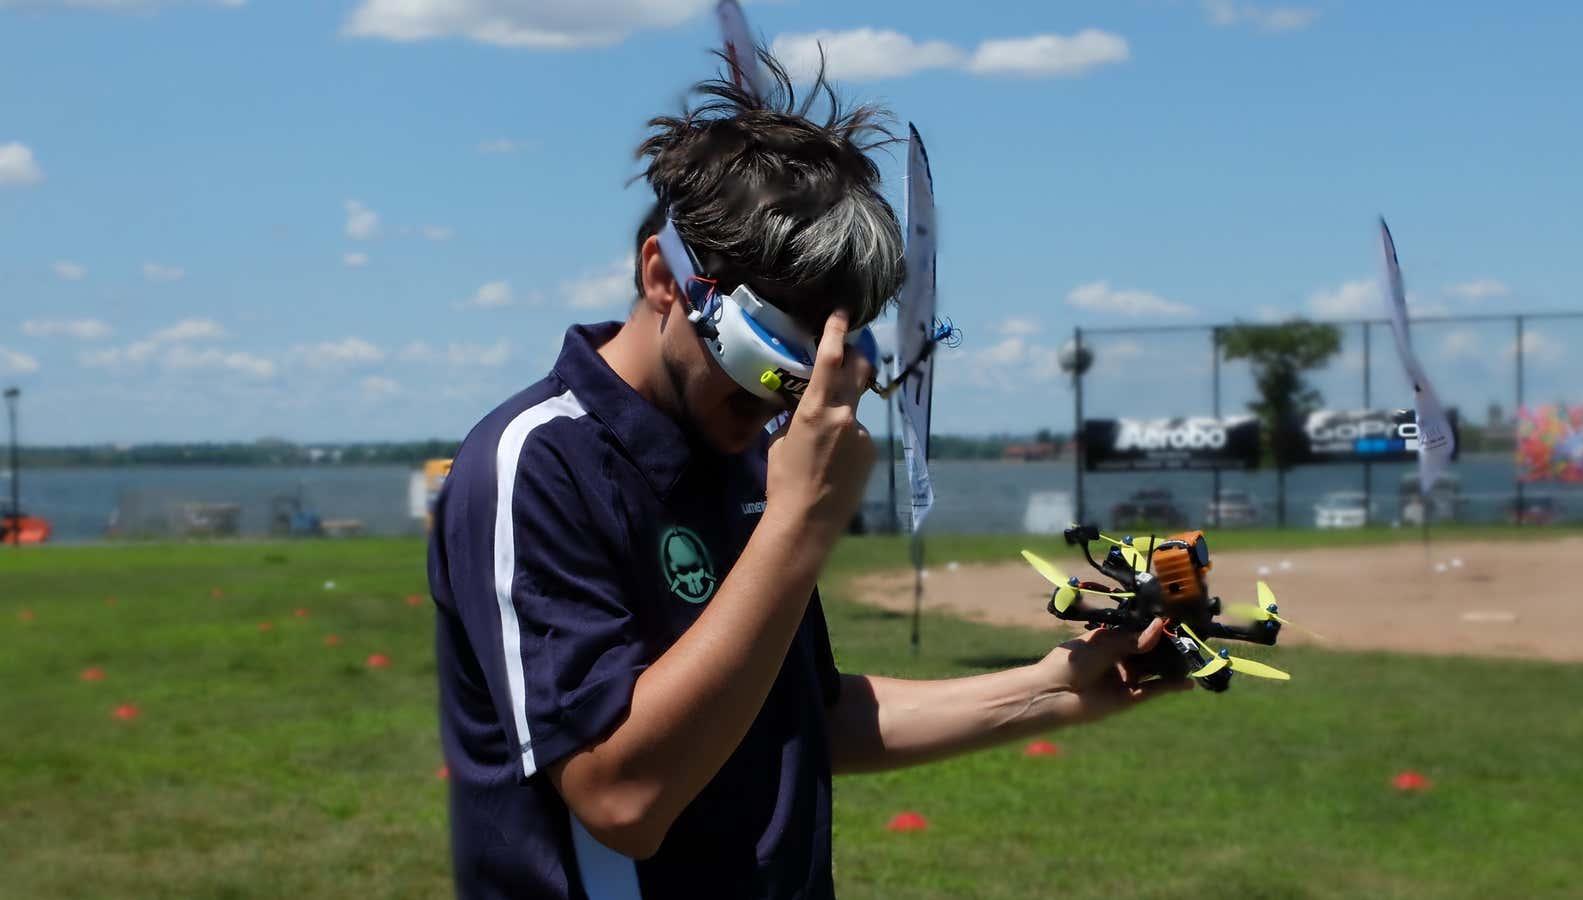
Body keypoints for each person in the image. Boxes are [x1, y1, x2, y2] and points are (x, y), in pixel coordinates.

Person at [427, 52, 1191, 900]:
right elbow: (621, 797)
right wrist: (800, 523)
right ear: (663, 278)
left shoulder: (754, 454)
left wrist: (1052, 689)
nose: (783, 400)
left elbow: (800, 716)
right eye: (765, 358)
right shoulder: (536, 463)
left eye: (819, 367)